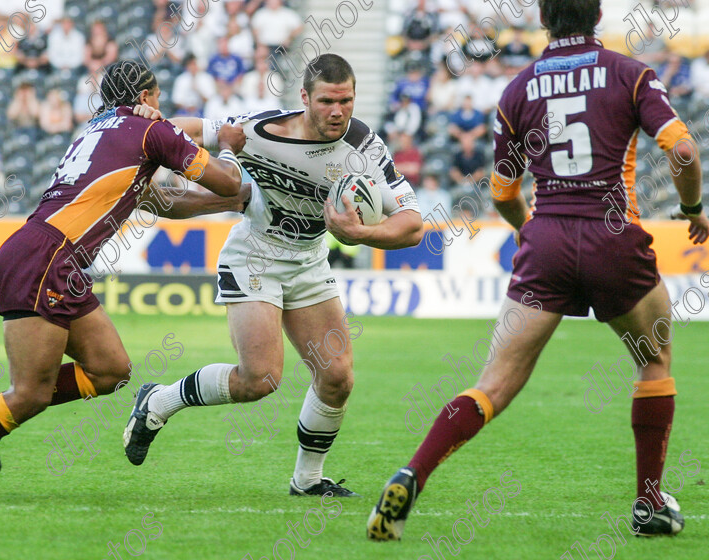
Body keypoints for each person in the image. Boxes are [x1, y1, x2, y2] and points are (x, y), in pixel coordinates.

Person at [368, 0, 709, 541]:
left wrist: (531, 229)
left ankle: (413, 472)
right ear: (597, 17)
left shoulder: (517, 88)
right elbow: (685, 151)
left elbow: (502, 191)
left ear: (544, 22)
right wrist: (692, 212)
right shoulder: (631, 74)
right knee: (654, 359)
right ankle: (648, 503)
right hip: (613, 236)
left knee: (493, 384)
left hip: (546, 239)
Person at [0, 60, 246, 501]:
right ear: (145, 98)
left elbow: (161, 202)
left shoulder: (96, 130)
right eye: (157, 97)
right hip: (48, 257)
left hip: (49, 256)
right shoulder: (150, 130)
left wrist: (229, 203)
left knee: (111, 369)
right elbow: (227, 178)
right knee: (30, 394)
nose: (161, 106)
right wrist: (230, 147)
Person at [123, 54, 424, 498]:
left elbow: (414, 223)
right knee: (260, 380)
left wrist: (364, 233)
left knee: (337, 376)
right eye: (326, 101)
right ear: (305, 98)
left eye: (346, 100)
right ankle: (159, 401)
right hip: (255, 256)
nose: (338, 111)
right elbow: (193, 128)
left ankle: (307, 480)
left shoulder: (364, 147)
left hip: (308, 260)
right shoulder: (261, 130)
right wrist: (147, 122)